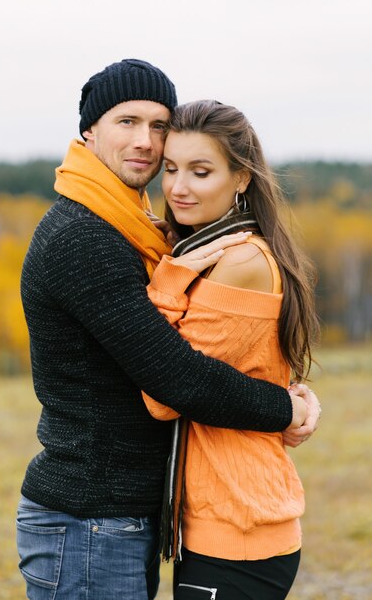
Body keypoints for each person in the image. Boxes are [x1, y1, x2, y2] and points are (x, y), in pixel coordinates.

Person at [16, 59, 318, 600]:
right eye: (127, 121)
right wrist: (285, 409)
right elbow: (178, 380)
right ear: (89, 130)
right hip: (90, 516)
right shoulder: (83, 236)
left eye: (158, 125)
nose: (146, 142)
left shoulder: (132, 228)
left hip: (118, 518)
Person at [142, 99, 321, 600]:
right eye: (171, 168)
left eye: (201, 171)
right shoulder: (208, 248)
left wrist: (168, 281)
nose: (178, 187)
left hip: (239, 528)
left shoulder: (240, 259)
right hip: (222, 522)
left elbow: (165, 392)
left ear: (241, 178)